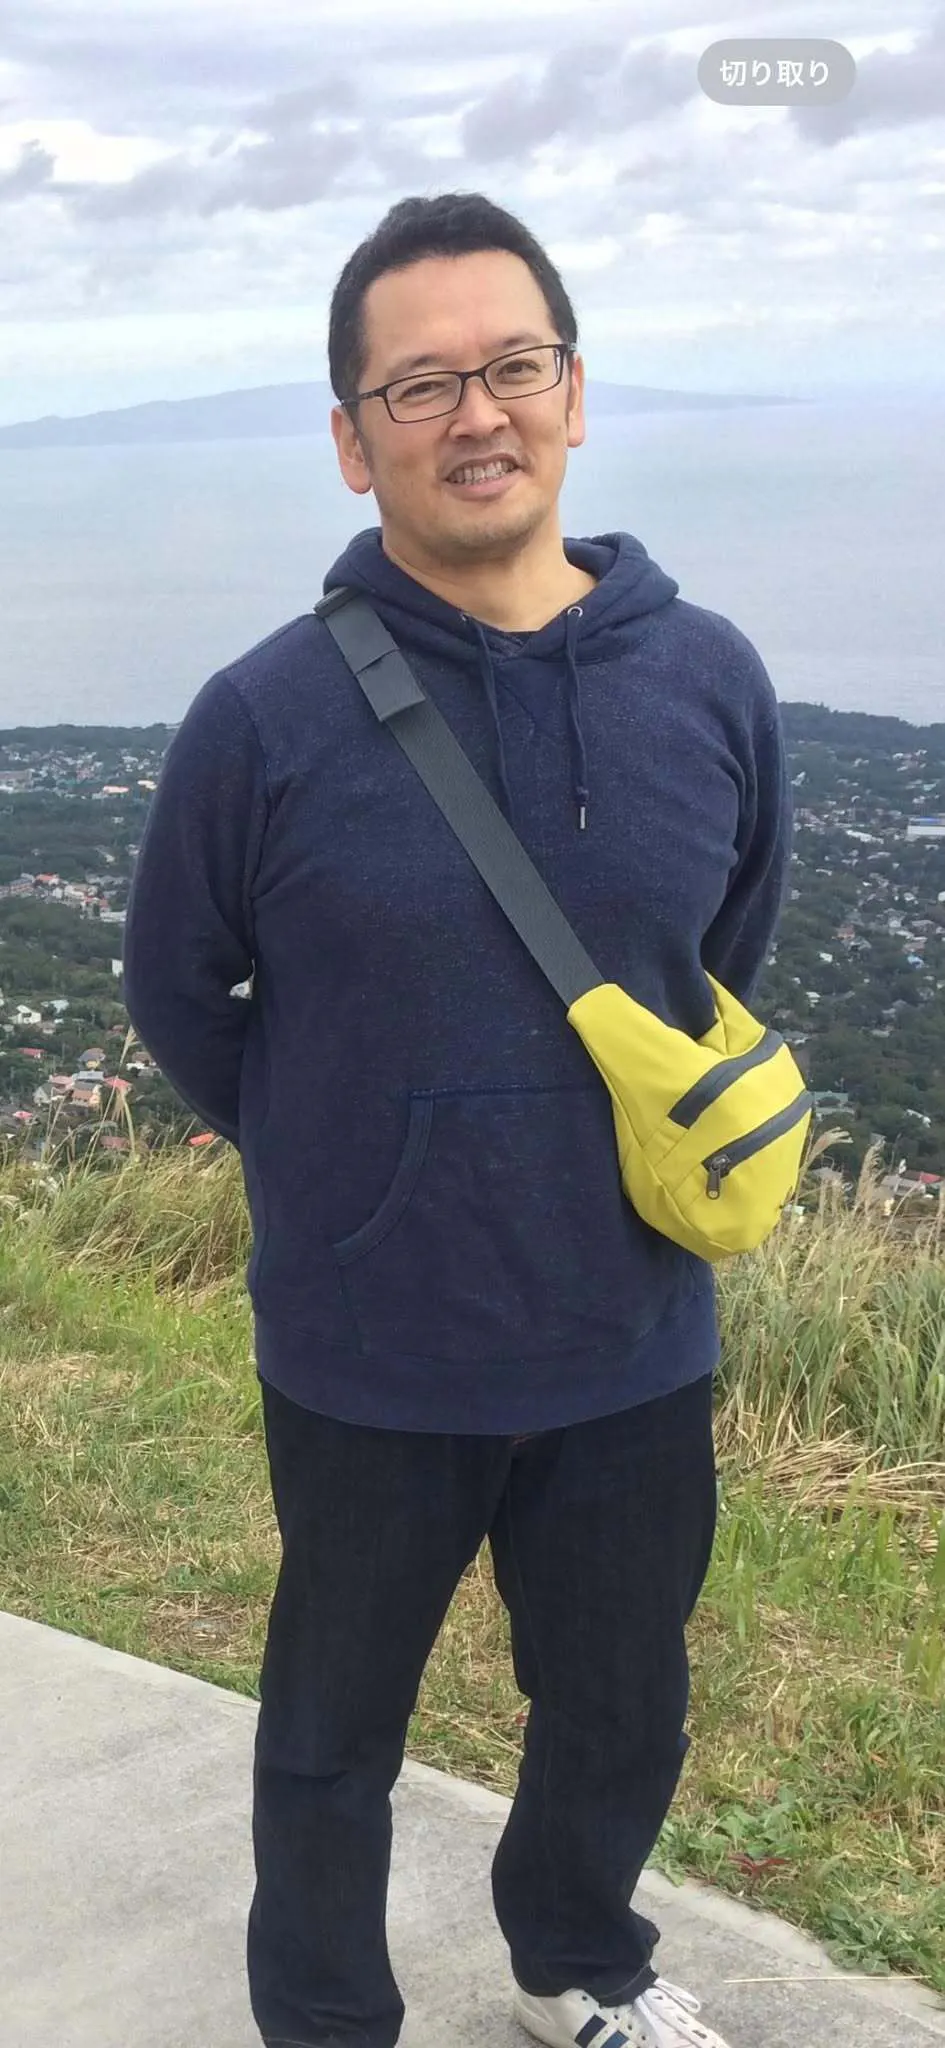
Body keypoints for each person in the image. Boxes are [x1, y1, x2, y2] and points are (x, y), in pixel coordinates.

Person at [122, 191, 794, 2048]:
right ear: (355, 442)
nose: (474, 412)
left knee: (620, 1702)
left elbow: (715, 957)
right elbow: (178, 988)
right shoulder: (262, 717)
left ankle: (580, 1963)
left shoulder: (709, 679)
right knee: (333, 1732)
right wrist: (343, 1168)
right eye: (419, 385)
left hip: (633, 1328)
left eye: (513, 365)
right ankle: (329, 2019)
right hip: (372, 1341)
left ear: (575, 393)